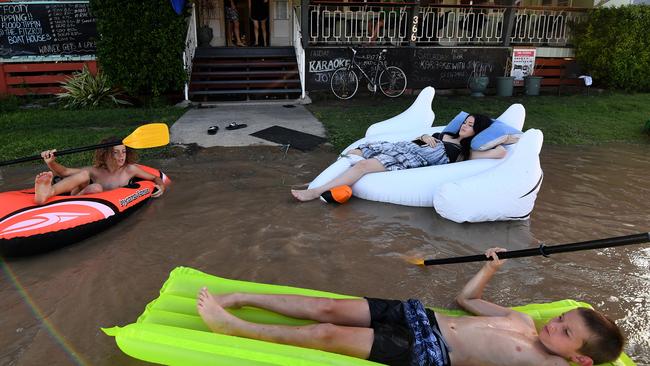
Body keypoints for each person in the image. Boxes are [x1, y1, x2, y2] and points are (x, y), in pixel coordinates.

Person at [197, 248, 625, 366]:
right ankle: (241, 296)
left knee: (327, 336)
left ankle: (235, 327)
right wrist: (490, 269)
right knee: (328, 308)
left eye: (565, 332)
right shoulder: (522, 319)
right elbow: (466, 301)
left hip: (429, 353)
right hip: (422, 316)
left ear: (580, 360)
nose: (554, 325)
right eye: (561, 318)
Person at [291, 113, 506, 202]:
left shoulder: (465, 151)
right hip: (404, 146)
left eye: (470, 125)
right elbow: (420, 139)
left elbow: (500, 152)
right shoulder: (446, 134)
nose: (465, 126)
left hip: (411, 159)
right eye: (465, 122)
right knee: (353, 153)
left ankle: (315, 192)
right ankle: (317, 182)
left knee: (363, 166)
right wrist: (424, 135)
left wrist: (504, 137)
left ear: (477, 131)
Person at [33, 137, 165, 205]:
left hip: (95, 200)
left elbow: (155, 178)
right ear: (106, 154)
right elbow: (64, 172)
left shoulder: (130, 170)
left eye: (124, 152)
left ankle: (56, 194)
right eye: (116, 152)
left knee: (95, 188)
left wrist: (161, 185)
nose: (122, 156)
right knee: (85, 176)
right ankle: (49, 191)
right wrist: (51, 162)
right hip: (76, 197)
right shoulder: (96, 171)